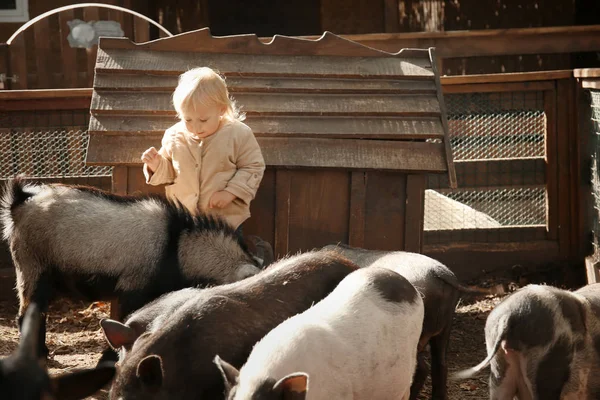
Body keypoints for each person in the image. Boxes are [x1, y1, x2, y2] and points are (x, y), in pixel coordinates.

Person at [141, 67, 265, 234]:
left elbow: (253, 166)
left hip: (225, 221)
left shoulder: (238, 134)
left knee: (227, 257)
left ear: (221, 109)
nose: (196, 127)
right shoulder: (173, 136)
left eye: (203, 120)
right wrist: (156, 165)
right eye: (188, 119)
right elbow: (170, 173)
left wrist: (230, 192)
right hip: (185, 220)